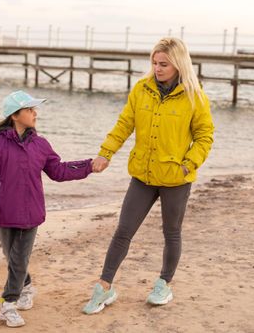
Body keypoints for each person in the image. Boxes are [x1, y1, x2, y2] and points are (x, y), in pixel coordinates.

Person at [82, 37, 214, 314]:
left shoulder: (195, 95)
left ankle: (164, 284)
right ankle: (104, 287)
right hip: (142, 176)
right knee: (123, 231)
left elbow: (205, 135)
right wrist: (106, 153)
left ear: (178, 64)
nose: (157, 68)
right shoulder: (141, 90)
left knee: (171, 233)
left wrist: (188, 164)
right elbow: (124, 124)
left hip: (176, 178)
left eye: (164, 64)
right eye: (154, 63)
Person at [0, 90, 93, 327]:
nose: (35, 113)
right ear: (15, 115)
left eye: (33, 109)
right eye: (29, 109)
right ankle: (27, 288)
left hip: (32, 214)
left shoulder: (40, 144)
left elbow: (58, 171)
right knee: (12, 259)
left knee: (18, 260)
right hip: (5, 213)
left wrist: (89, 166)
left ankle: (8, 305)